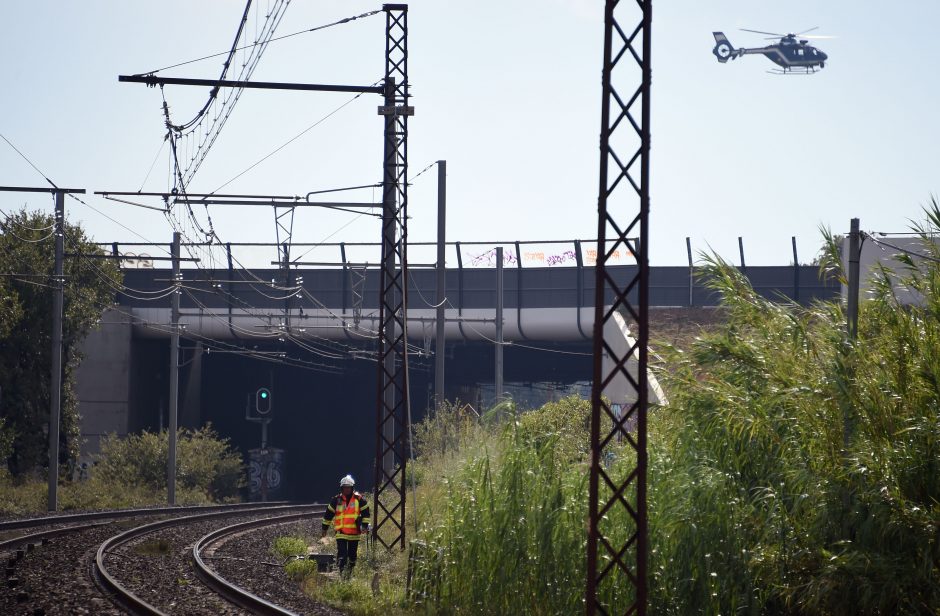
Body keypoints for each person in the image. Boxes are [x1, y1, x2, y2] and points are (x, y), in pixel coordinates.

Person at [321, 474, 370, 577]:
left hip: (354, 533)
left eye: (348, 487)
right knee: (342, 555)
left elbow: (366, 513)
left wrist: (364, 526)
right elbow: (328, 514)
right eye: (344, 487)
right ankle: (342, 574)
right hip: (341, 532)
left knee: (352, 556)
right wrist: (324, 528)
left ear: (352, 488)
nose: (346, 489)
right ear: (341, 488)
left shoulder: (359, 499)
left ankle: (350, 572)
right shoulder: (336, 500)